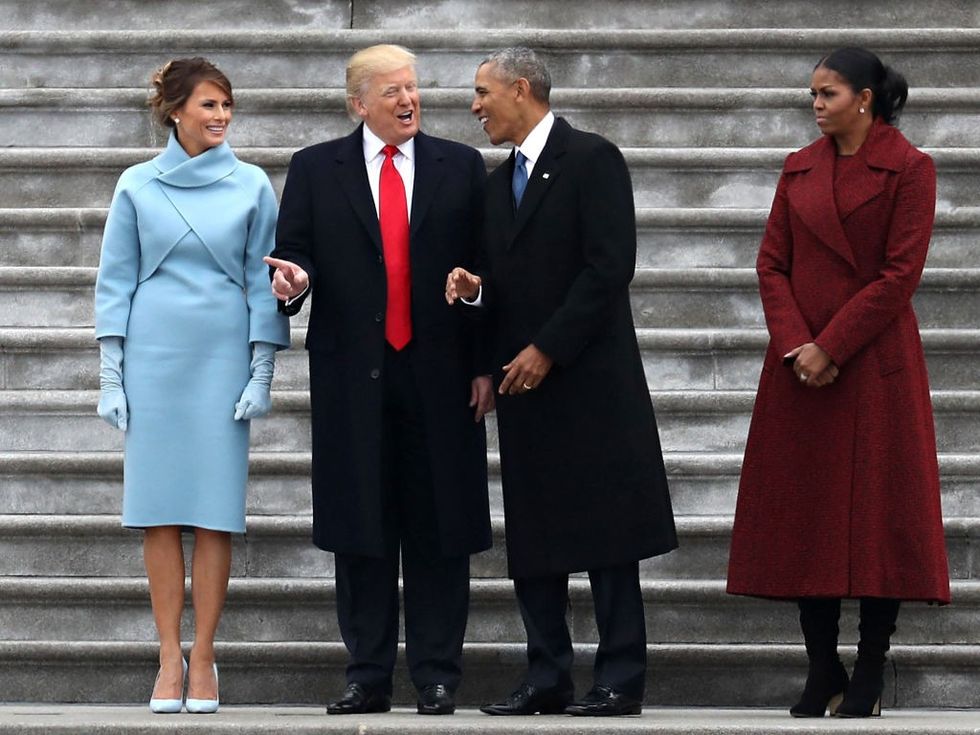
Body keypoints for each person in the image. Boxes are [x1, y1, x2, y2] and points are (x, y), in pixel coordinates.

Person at [446, 47, 677, 717]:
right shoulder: (495, 186)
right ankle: (547, 673)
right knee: (536, 537)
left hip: (591, 382)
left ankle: (620, 676)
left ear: (522, 90)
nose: (475, 105)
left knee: (609, 536)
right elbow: (508, 283)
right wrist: (474, 292)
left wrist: (547, 347)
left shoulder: (593, 159)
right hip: (524, 390)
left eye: (484, 91)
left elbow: (609, 267)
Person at [265, 44, 492, 717]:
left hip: (442, 376)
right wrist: (293, 283)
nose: (408, 101)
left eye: (414, 88)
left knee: (440, 528)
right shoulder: (315, 168)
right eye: (392, 91)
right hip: (352, 378)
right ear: (358, 102)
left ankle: (437, 674)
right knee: (360, 527)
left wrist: (483, 356)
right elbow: (294, 251)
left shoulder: (460, 166)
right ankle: (366, 674)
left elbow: (484, 266)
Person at [726, 47, 950, 718]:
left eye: (827, 93)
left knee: (879, 521)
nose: (816, 104)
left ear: (865, 99)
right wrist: (798, 343)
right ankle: (823, 664)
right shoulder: (798, 168)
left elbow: (898, 275)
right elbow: (771, 264)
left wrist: (832, 345)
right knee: (806, 517)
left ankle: (870, 671)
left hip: (872, 366)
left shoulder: (910, 169)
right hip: (800, 369)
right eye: (813, 94)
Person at [94, 57, 290, 714]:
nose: (221, 117)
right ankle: (165, 655)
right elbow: (115, 281)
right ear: (175, 110)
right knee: (157, 512)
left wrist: (262, 370)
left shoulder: (252, 184)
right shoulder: (136, 185)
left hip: (220, 357)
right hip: (155, 357)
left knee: (213, 514)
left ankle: (203, 654)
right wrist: (111, 374)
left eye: (227, 106)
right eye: (209, 105)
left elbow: (264, 283)